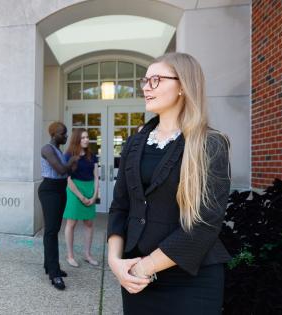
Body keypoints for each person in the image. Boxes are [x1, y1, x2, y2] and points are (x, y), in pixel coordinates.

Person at [107, 52, 231, 314]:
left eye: (156, 80)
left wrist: (144, 267)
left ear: (183, 86)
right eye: (145, 80)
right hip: (135, 280)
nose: (145, 87)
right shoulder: (134, 143)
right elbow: (120, 207)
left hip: (191, 279)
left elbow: (206, 223)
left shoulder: (210, 144)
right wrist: (115, 262)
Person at [38, 122, 79, 290]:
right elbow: (61, 170)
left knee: (54, 230)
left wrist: (71, 166)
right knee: (51, 231)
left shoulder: (59, 151)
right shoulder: (47, 149)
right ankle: (54, 274)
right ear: (54, 134)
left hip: (60, 190)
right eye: (63, 133)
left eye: (66, 133)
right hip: (50, 191)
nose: (66, 136)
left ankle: (49, 265)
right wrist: (73, 161)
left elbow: (67, 172)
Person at [63, 128, 100, 268]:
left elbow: (96, 176)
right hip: (74, 190)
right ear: (77, 139)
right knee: (71, 224)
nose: (86, 139)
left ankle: (87, 254)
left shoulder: (92, 155)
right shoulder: (68, 155)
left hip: (89, 189)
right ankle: (70, 256)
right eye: (83, 137)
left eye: (87, 137)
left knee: (89, 223)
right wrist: (80, 196)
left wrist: (94, 195)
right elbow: (68, 179)